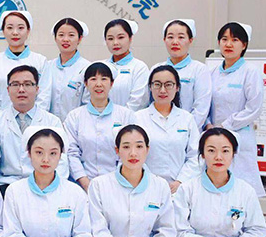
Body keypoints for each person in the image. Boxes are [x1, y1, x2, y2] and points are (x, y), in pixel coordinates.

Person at [0, 65, 68, 196]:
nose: (21, 89)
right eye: (15, 84)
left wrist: (53, 190)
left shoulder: (52, 121)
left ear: (37, 89)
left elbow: (61, 161)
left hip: (43, 186)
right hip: (6, 185)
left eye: (27, 84)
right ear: (8, 89)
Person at [207, 22, 265, 197]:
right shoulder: (213, 72)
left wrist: (226, 125)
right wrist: (209, 125)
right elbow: (206, 103)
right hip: (214, 136)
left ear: (244, 45)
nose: (229, 44)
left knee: (241, 192)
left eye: (235, 40)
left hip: (240, 136)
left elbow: (254, 108)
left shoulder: (250, 72)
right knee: (215, 189)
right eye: (224, 39)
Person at [65, 62, 135, 192]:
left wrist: (116, 182)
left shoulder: (126, 115)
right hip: (82, 186)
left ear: (111, 83)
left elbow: (129, 151)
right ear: (86, 84)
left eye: (104, 79)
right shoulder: (74, 117)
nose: (98, 84)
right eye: (93, 79)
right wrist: (85, 183)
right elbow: (71, 153)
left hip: (119, 184)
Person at [135, 65, 200, 194]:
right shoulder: (138, 118)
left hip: (181, 188)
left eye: (168, 85)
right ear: (150, 87)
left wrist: (180, 181)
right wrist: (153, 182)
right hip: (146, 187)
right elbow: (133, 155)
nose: (162, 90)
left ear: (177, 88)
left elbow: (195, 156)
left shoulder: (187, 118)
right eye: (157, 84)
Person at [0, 10, 52, 116]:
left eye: (20, 28)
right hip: (2, 121)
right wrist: (1, 120)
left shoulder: (41, 61)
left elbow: (44, 97)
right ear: (3, 31)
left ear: (28, 31)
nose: (15, 32)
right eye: (10, 28)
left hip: (35, 121)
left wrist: (32, 119)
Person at [152, 19, 211, 130]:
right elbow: (150, 103)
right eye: (170, 37)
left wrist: (183, 130)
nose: (175, 42)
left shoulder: (199, 69)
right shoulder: (156, 69)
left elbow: (201, 108)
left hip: (188, 130)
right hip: (158, 129)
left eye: (181, 37)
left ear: (190, 40)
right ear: (164, 40)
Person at [48, 17, 91, 121]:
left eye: (71, 35)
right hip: (48, 126)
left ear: (80, 38)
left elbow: (88, 104)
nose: (65, 39)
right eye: (61, 35)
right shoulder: (47, 66)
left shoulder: (87, 68)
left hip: (76, 126)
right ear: (55, 38)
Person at [102, 19, 149, 111]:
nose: (115, 43)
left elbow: (138, 102)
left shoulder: (139, 68)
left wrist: (119, 117)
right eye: (110, 38)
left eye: (120, 37)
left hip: (130, 118)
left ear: (130, 38)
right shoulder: (100, 66)